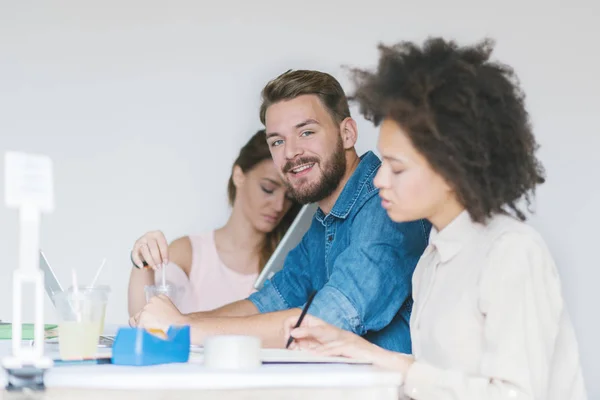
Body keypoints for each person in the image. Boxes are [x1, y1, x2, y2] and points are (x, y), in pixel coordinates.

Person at [283, 38, 587, 399]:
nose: (379, 178)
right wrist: (355, 350)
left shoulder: (512, 252)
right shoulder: (432, 260)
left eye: (396, 167)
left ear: (451, 170)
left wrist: (393, 364)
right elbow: (436, 382)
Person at [129, 69, 431, 351]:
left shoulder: (385, 207)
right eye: (277, 141)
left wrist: (183, 328)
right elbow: (270, 302)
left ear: (348, 133)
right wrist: (181, 323)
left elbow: (325, 322)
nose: (290, 153)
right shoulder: (322, 222)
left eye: (307, 132)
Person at [128, 130, 301, 317]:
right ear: (239, 176)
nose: (279, 205)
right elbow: (142, 318)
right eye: (268, 189)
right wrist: (142, 262)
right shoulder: (190, 253)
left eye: (290, 196)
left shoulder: (288, 265)